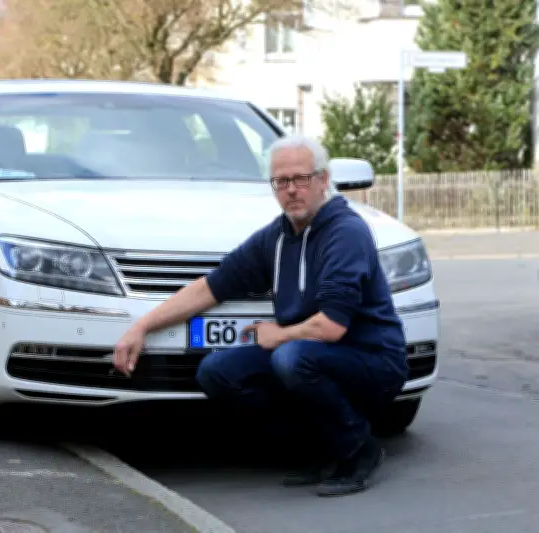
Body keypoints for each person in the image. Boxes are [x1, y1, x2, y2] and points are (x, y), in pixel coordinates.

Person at [112, 135, 408, 498]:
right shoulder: (278, 236)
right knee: (217, 371)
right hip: (315, 354)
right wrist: (141, 326)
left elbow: (331, 326)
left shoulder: (346, 232)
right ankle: (318, 447)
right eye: (281, 182)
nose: (291, 191)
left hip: (372, 360)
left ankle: (359, 448)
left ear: (323, 179)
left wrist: (278, 335)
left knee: (290, 357)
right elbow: (211, 287)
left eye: (300, 179)